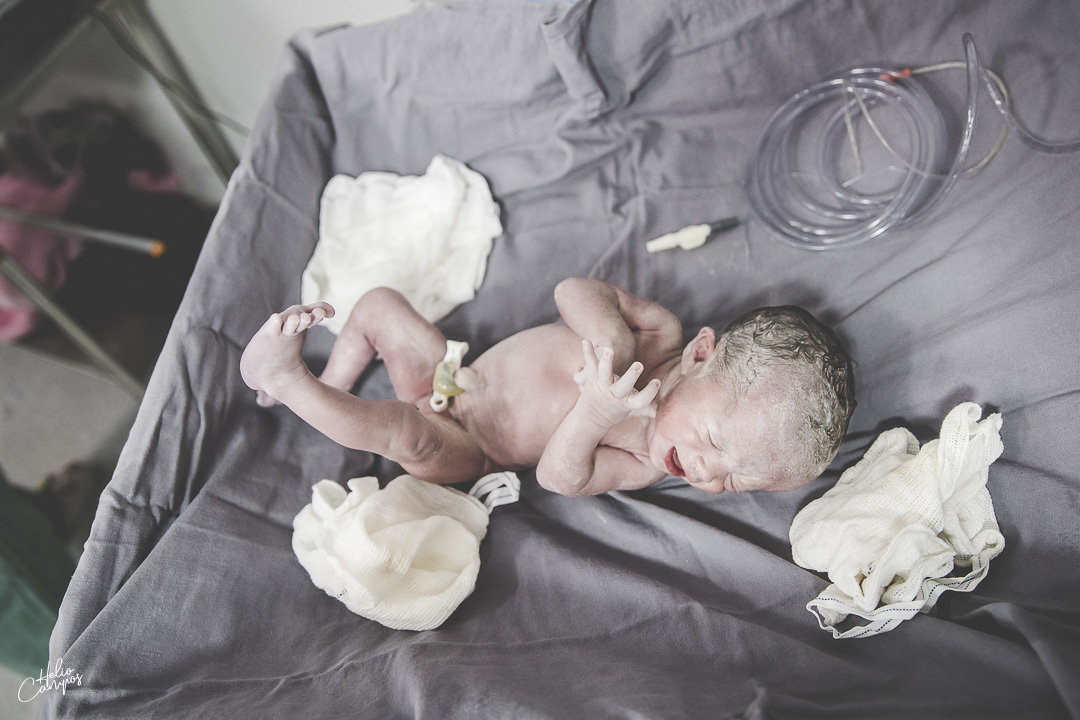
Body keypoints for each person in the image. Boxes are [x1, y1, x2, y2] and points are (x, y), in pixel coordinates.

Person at [239, 278, 855, 496]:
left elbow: (562, 479)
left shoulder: (644, 459)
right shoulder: (659, 332)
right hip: (452, 376)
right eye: (716, 441)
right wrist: (611, 340)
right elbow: (572, 291)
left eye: (734, 483)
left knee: (405, 432)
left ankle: (291, 382)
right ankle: (334, 378)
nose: (706, 473)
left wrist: (597, 410)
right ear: (699, 355)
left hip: (468, 442)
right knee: (379, 304)